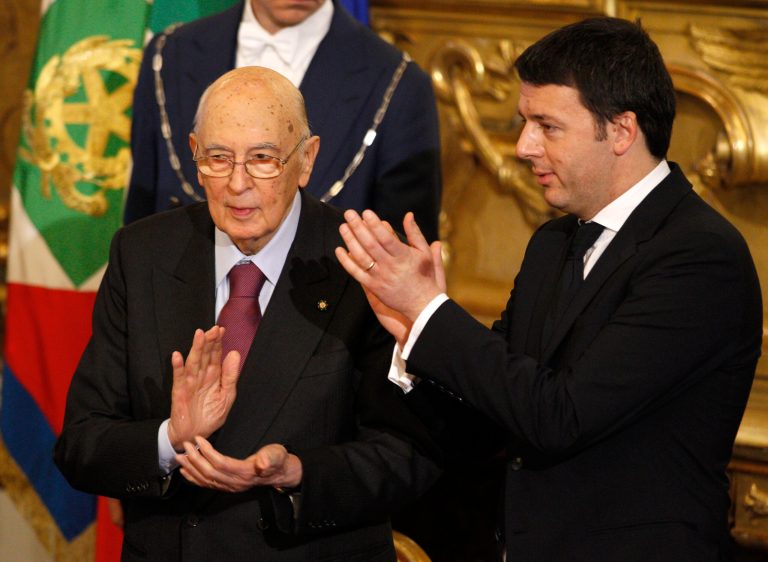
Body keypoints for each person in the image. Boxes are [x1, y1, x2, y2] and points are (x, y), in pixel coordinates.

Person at [335, 16, 763, 560]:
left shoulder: (699, 257)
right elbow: (494, 425)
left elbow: (561, 417)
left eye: (547, 126)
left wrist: (433, 316)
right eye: (524, 122)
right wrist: (412, 339)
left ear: (622, 130)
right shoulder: (553, 243)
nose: (522, 146)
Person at [54, 66, 439, 561]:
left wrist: (297, 472)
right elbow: (81, 446)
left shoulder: (365, 264)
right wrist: (170, 440)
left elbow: (410, 455)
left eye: (262, 159)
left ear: (306, 160)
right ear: (194, 155)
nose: (237, 183)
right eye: (218, 158)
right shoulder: (142, 252)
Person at [126, 0, 442, 242]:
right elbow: (142, 224)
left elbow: (404, 257)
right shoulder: (168, 55)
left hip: (323, 317)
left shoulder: (400, 83)